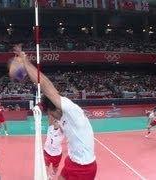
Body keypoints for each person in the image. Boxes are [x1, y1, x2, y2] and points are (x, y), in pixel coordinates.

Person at [13, 46, 97, 180]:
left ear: (54, 110)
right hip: (72, 160)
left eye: (50, 114)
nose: (50, 117)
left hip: (85, 168)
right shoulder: (62, 117)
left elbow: (46, 86)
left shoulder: (71, 109)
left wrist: (25, 61)